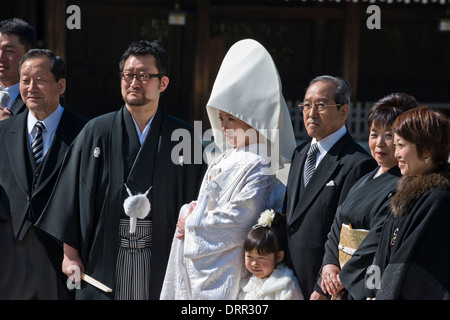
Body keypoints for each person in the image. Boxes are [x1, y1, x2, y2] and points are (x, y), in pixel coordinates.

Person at [36, 40, 206, 300]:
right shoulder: (96, 131)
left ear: (163, 83)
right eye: (128, 75)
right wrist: (70, 255)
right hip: (104, 262)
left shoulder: (184, 137)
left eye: (144, 75)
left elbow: (200, 199)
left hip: (164, 260)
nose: (134, 82)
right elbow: (72, 195)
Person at [160, 39, 297, 300]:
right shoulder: (226, 156)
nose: (223, 127)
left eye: (231, 119)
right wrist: (189, 210)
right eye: (221, 119)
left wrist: (193, 221)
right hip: (203, 262)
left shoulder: (260, 162)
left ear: (252, 119)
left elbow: (241, 218)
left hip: (230, 265)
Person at [0, 49, 88, 299]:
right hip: (10, 252)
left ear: (61, 85)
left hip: (62, 255)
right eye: (25, 80)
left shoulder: (85, 133)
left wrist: (75, 250)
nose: (31, 87)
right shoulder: (3, 132)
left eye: (40, 79)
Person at [314, 93, 418, 300]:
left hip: (366, 283)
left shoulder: (405, 185)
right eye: (373, 134)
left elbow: (379, 237)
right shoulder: (365, 178)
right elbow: (337, 225)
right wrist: (328, 267)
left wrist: (342, 278)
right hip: (337, 280)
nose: (379, 143)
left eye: (389, 136)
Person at [284, 75, 378, 299]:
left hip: (323, 285)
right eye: (307, 105)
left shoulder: (358, 163)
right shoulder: (300, 153)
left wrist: (322, 287)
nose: (311, 112)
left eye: (321, 105)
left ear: (343, 111)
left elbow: (347, 234)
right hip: (288, 278)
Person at [368, 106, 450, 299]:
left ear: (427, 149)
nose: (396, 154)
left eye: (401, 145)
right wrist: (371, 291)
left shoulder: (439, 199)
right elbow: (381, 252)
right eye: (395, 146)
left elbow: (415, 266)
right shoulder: (405, 193)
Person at [238, 209, 304, 300]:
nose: (254, 263)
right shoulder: (247, 285)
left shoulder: (286, 286)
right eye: (249, 256)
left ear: (279, 256)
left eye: (261, 257)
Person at [0, 18, 35, 120]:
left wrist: (8, 126)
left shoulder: (41, 99)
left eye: (10, 51)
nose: (1, 57)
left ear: (28, 55)